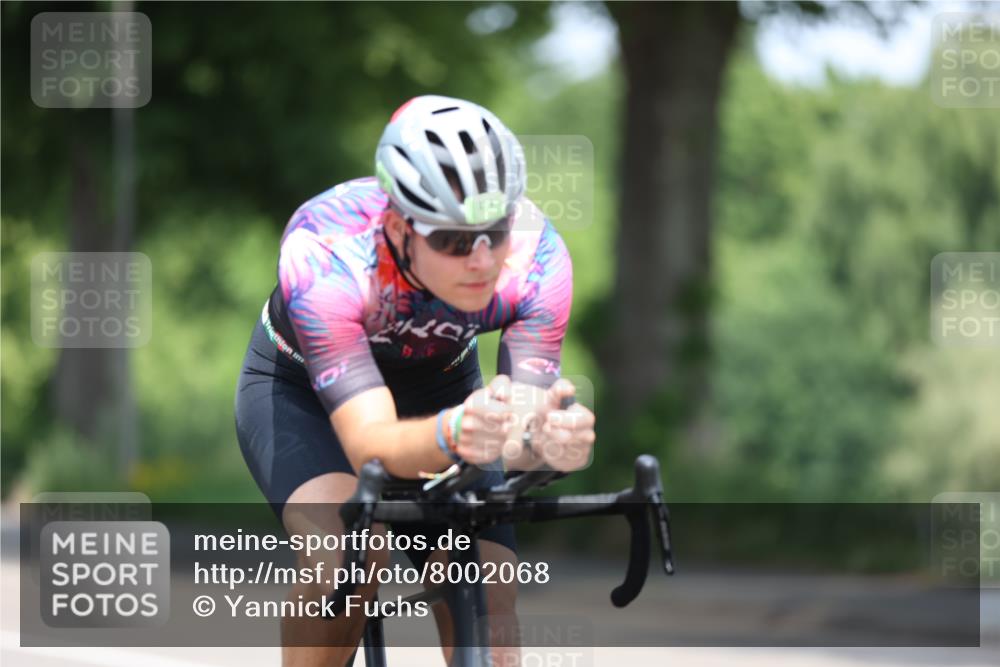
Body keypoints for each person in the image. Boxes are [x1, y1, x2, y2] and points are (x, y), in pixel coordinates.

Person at [234, 95, 596, 667]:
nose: (479, 260)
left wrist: (546, 444)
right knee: (348, 560)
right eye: (452, 240)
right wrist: (454, 435)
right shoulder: (326, 254)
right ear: (401, 228)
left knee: (490, 606)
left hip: (443, 389)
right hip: (305, 395)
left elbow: (522, 428)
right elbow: (371, 443)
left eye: (493, 232)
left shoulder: (537, 258)